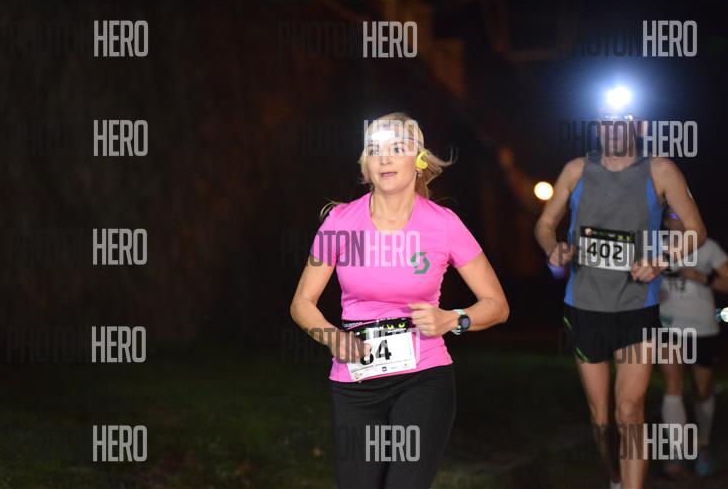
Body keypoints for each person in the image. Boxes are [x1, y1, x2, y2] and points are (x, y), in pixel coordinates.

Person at [290, 112, 509, 488]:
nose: (385, 158)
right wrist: (332, 337)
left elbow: (496, 305)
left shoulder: (443, 224)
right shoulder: (340, 222)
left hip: (423, 377)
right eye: (375, 150)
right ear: (365, 165)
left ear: (418, 159)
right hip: (356, 379)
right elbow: (301, 303)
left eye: (397, 148)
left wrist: (452, 319)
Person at [534, 91, 707, 489]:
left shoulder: (660, 170)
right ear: (597, 127)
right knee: (601, 418)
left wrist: (661, 259)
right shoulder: (576, 170)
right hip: (584, 306)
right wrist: (553, 248)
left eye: (622, 121)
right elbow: (544, 223)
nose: (613, 129)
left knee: (629, 409)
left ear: (638, 127)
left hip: (636, 307)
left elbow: (696, 230)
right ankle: (614, 477)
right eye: (605, 121)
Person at [658, 206, 728, 478]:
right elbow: (636, 279)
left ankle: (702, 445)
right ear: (665, 220)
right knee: (672, 386)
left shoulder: (707, 246)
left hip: (703, 329)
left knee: (702, 391)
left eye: (681, 214)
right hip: (669, 326)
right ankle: (676, 455)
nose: (676, 219)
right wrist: (650, 291)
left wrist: (701, 277)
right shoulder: (656, 246)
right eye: (671, 215)